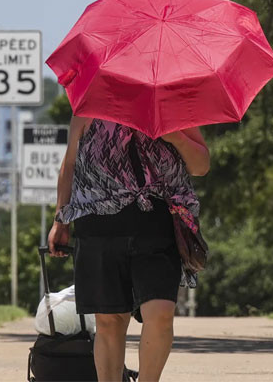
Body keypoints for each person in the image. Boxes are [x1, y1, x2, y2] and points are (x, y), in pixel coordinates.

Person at [48, 115, 209, 382]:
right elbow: (71, 164)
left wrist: (174, 136)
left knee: (160, 315)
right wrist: (60, 220)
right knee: (109, 321)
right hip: (98, 225)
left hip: (157, 225)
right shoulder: (90, 106)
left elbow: (201, 165)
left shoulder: (168, 105)